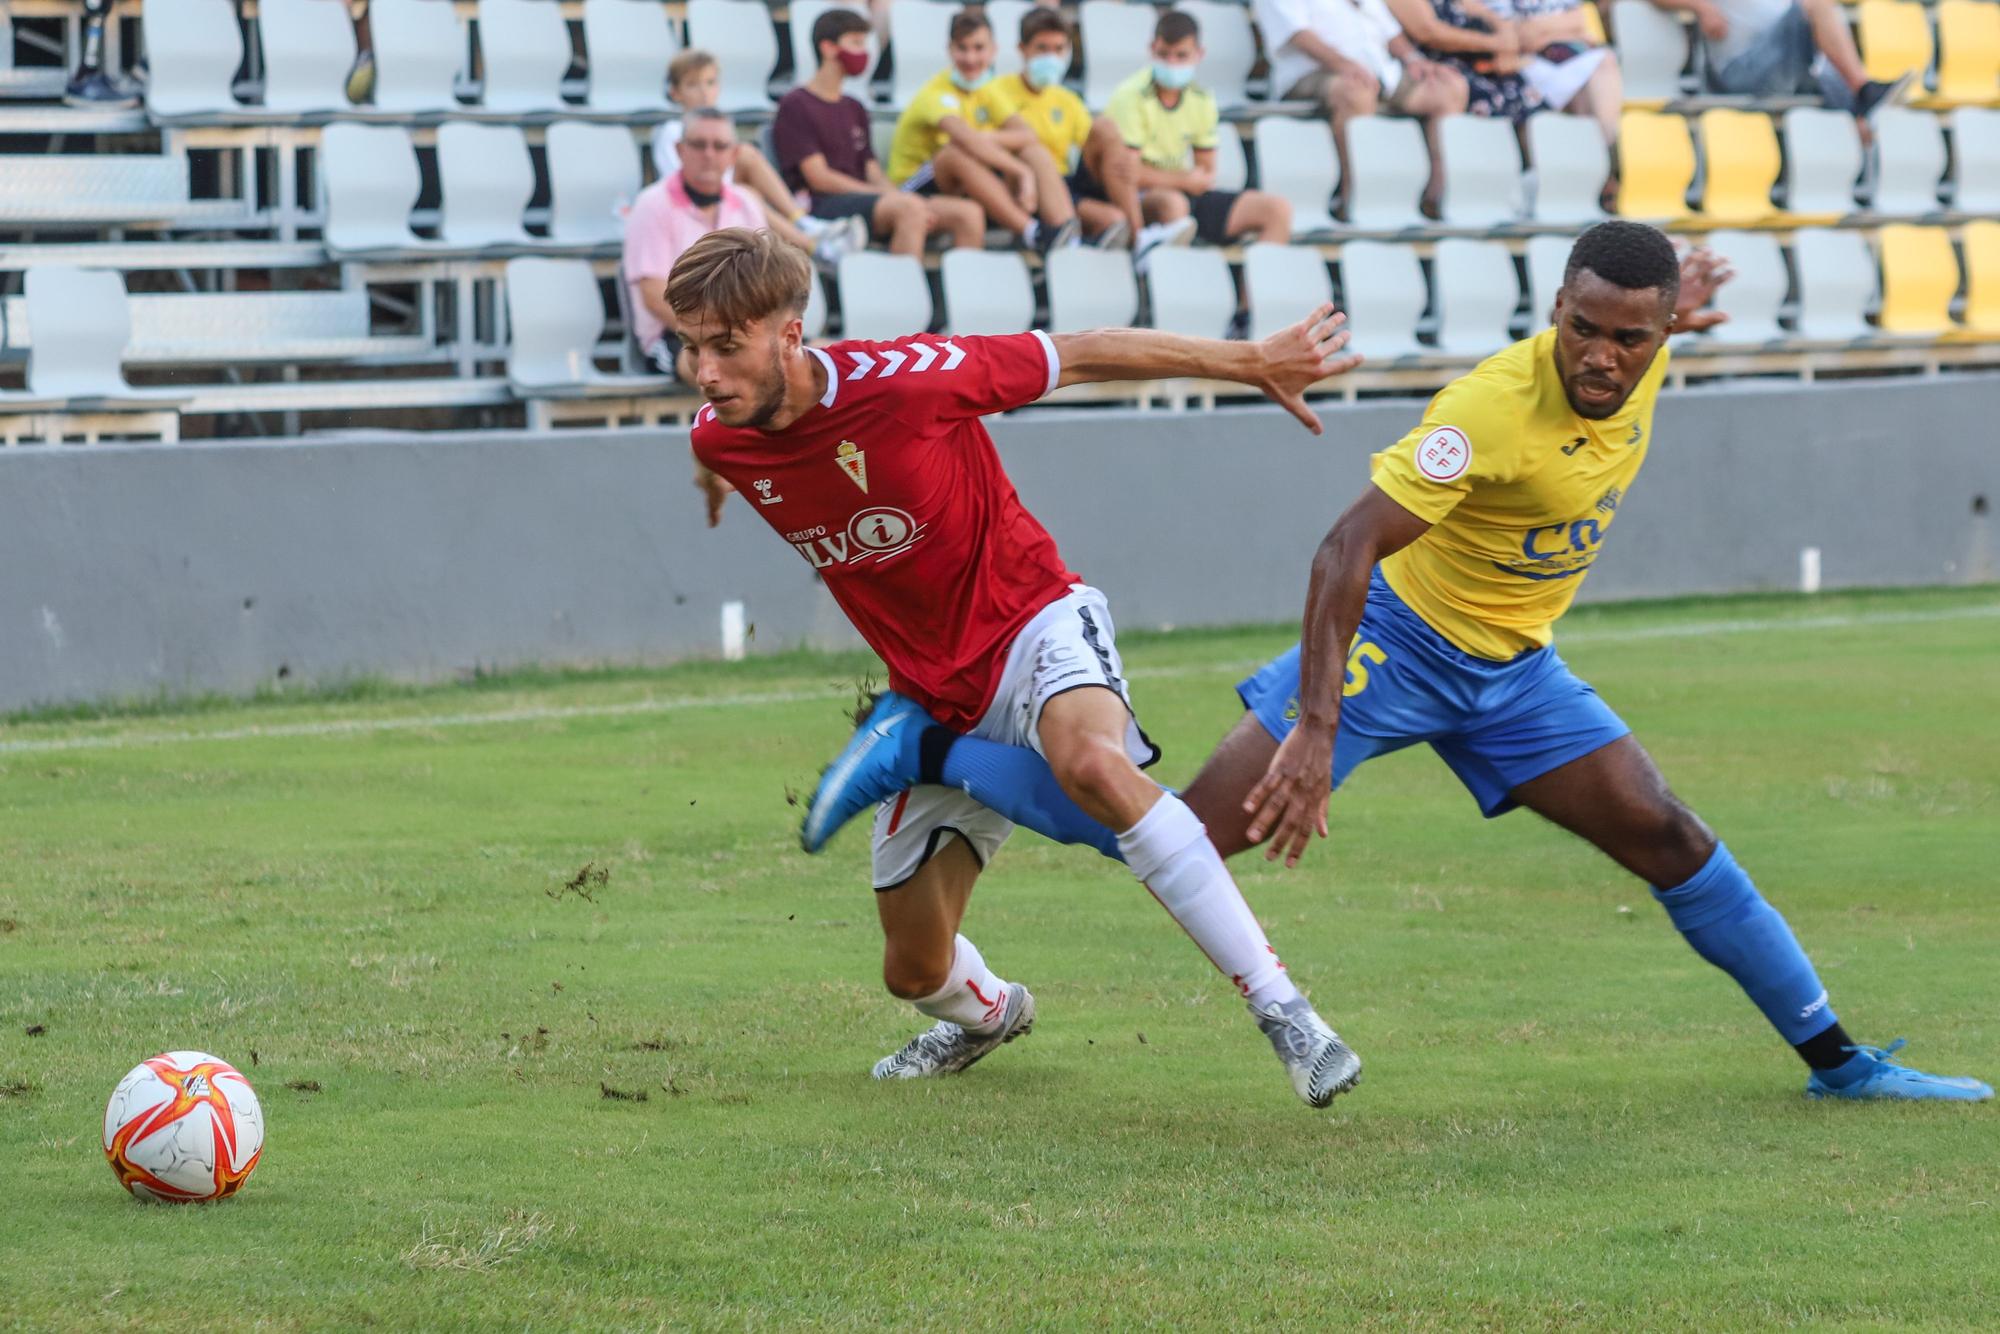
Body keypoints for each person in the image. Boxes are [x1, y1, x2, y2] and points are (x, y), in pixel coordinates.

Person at [803, 220, 1994, 1105]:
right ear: (1557, 311)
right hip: (1394, 648)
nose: (1596, 354)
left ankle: (1835, 1060)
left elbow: (1657, 290)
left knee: (1667, 833)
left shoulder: (1647, 342)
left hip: (1514, 671)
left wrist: (1687, 290)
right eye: (1578, 327)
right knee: (1176, 828)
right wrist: (1317, 727)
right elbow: (1340, 552)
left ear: (1663, 330)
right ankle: (936, 746)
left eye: (1626, 336)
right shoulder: (1486, 410)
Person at [670, 226, 1368, 1106]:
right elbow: (714, 453)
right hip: (931, 695)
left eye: (725, 348)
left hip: (1032, 623)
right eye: (691, 348)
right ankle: (991, 1014)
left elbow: (1077, 354)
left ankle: (1288, 1016)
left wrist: (1251, 359)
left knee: (1090, 766)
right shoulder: (718, 436)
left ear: (789, 334)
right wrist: (714, 486)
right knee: (912, 970)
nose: (705, 372)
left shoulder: (908, 383)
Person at [773, 8, 985, 256]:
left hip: (868, 201)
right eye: (855, 43)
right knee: (909, 210)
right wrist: (888, 196)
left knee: (969, 214)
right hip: (823, 205)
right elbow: (819, 178)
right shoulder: (795, 104)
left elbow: (871, 168)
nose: (864, 53)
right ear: (828, 48)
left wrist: (894, 194)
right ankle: (903, 292)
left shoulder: (854, 106)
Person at [885, 10, 1082, 255]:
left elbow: (1027, 135)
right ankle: (1034, 232)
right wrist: (1019, 171)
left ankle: (1066, 238)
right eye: (962, 48)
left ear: (993, 50)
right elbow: (965, 139)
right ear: (949, 49)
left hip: (962, 187)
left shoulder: (987, 89)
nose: (970, 57)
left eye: (978, 48)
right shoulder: (935, 94)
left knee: (1033, 152)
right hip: (914, 188)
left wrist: (989, 138)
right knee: (957, 152)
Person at [1252, 0, 1471, 215]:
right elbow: (1296, 33)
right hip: (1310, 72)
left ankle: (1437, 200)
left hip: (1379, 72)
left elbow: (1388, 30)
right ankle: (1353, 199)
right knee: (1356, 92)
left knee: (1450, 88)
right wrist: (1343, 64)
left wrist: (1413, 59)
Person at [1104, 10, 1294, 253]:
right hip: (1143, 197)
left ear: (1199, 54)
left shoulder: (1202, 99)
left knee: (1277, 210)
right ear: (1152, 49)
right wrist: (1184, 180)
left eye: (1181, 55)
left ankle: (1259, 291)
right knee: (1174, 206)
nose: (1172, 63)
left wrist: (1181, 181)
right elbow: (1126, 175)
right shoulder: (1129, 96)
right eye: (1164, 55)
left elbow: (1206, 175)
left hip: (1184, 194)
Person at [653, 50, 865, 267]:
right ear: (675, 92)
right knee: (748, 192)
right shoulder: (672, 131)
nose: (704, 93)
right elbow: (682, 180)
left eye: (710, 83)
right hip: (694, 206)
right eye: (692, 85)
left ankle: (804, 224)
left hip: (722, 197)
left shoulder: (722, 127)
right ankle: (812, 241)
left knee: (747, 161)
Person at [981, 8, 1162, 251]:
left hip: (1065, 185)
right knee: (1034, 152)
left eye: (1059, 49)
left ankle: (1138, 239)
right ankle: (1067, 239)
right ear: (1022, 49)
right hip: (1026, 189)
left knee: (1106, 130)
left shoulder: (1068, 99)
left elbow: (1093, 147)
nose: (1051, 57)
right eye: (1042, 48)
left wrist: (1123, 160)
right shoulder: (996, 91)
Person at [623, 110, 772, 380]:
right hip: (677, 336)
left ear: (734, 154)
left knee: (811, 359)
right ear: (679, 150)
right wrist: (721, 333)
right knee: (733, 369)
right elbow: (655, 297)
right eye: (699, 144)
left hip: (743, 332)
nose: (709, 154)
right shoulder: (652, 204)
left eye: (720, 146)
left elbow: (764, 284)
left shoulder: (748, 204)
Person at [1649, 0, 1912, 120]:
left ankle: (1859, 108)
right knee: (1817, 5)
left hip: (1784, 65)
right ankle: (1862, 90)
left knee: (1819, 40)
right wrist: (1701, 7)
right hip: (1741, 71)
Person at [1476, 0, 1624, 145]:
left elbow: (1578, 20)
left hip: (1561, 56)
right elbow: (1519, 36)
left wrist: (1543, 32)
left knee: (1603, 62)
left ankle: (1603, 148)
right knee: (1596, 68)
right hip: (1520, 63)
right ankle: (1602, 151)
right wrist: (1565, 31)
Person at [1383, 0, 1543, 125]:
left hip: (1479, 59)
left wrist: (1505, 42)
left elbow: (1481, 10)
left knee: (1524, 90)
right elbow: (1429, 33)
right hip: (1437, 62)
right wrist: (1496, 43)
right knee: (1487, 94)